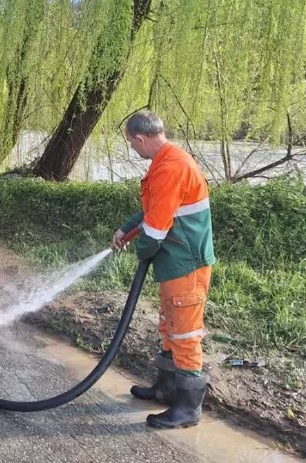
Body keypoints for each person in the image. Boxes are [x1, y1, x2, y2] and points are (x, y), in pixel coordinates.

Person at [112, 110, 215, 429]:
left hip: (186, 265)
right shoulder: (166, 161)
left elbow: (156, 230)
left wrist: (142, 250)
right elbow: (154, 208)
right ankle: (166, 388)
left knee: (184, 335)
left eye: (132, 144)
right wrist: (127, 229)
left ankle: (187, 409)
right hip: (174, 262)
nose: (133, 149)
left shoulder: (171, 166)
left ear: (141, 138)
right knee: (170, 327)